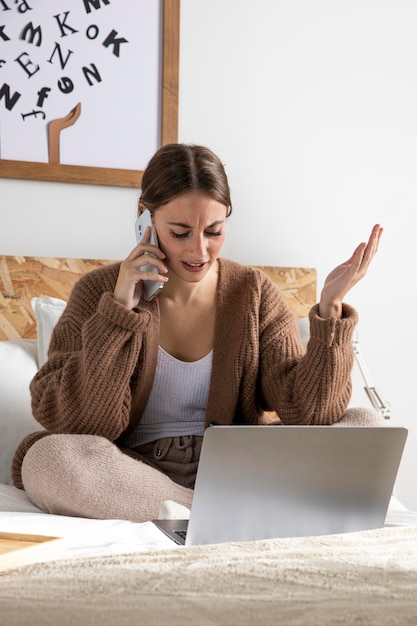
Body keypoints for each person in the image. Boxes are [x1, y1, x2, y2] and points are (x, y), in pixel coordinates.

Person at [12, 143, 384, 522]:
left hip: (237, 474)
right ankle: (221, 515)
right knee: (48, 459)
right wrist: (119, 312)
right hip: (133, 477)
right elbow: (82, 423)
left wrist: (331, 310)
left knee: (365, 425)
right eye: (180, 232)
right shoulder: (97, 293)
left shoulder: (254, 292)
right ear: (145, 218)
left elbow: (310, 413)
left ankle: (199, 515)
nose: (200, 250)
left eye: (214, 230)